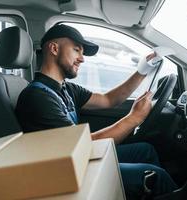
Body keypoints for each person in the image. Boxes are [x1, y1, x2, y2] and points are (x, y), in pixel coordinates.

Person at [15, 24, 177, 199]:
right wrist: (134, 118)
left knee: (145, 150)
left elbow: (109, 99)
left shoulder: (66, 89)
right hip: (64, 172)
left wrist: (142, 70)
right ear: (54, 48)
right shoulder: (37, 97)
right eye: (77, 50)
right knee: (156, 175)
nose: (82, 59)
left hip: (77, 158)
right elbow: (84, 146)